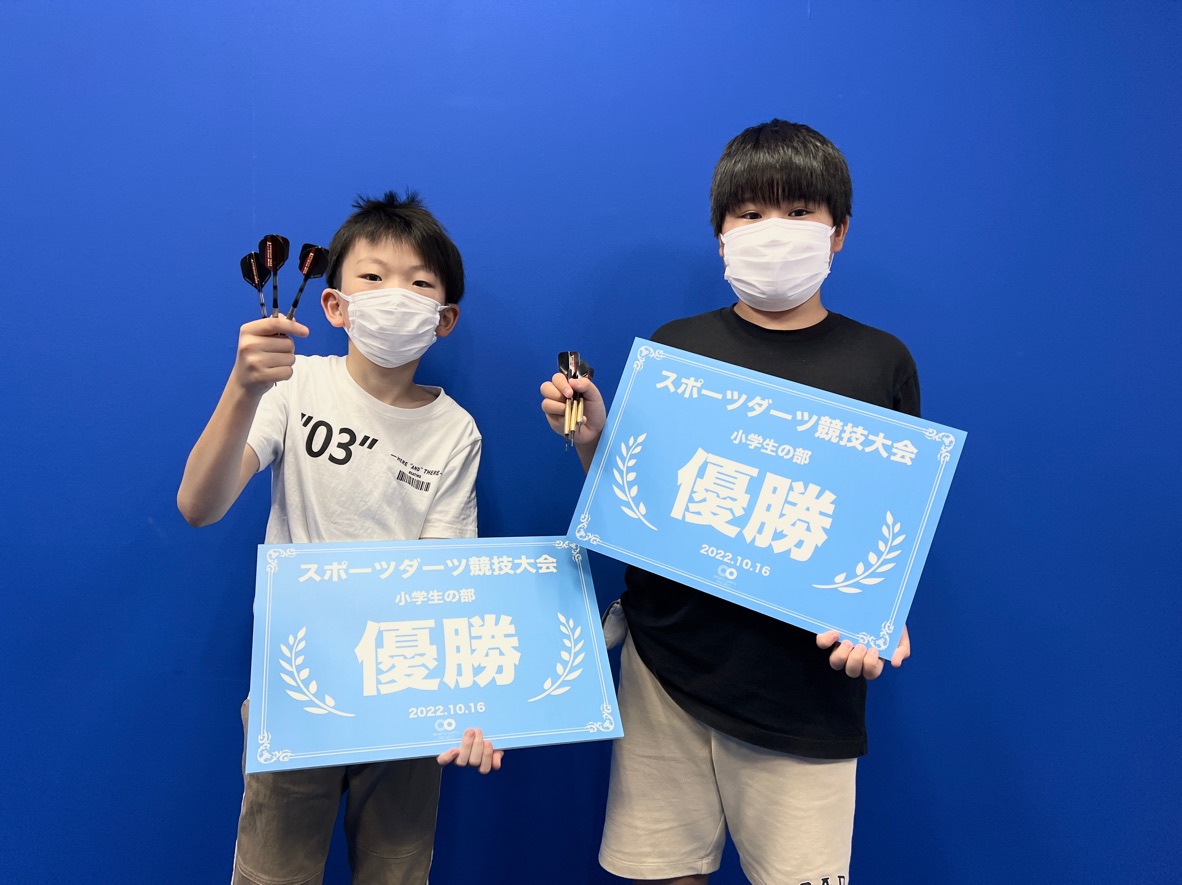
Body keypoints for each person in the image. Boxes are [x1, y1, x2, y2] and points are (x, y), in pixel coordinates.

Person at [540, 120, 915, 885]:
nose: (773, 230)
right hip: (666, 667)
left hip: (804, 693)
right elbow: (636, 504)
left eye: (799, 211)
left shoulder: (881, 361)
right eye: (750, 213)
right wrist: (592, 435)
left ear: (839, 231)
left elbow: (893, 522)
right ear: (720, 233)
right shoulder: (677, 347)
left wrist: (883, 612)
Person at [179, 190, 500, 885]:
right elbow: (198, 505)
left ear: (444, 318)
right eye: (373, 277)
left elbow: (449, 582)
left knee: (397, 871)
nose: (395, 296)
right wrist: (242, 388)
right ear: (334, 304)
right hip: (296, 689)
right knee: (271, 873)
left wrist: (469, 704)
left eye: (420, 284)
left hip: (405, 696)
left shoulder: (455, 431)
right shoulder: (294, 386)